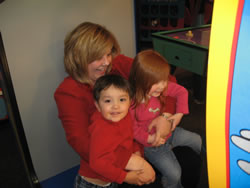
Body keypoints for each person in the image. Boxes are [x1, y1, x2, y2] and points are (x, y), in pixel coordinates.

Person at [54, 22, 173, 187]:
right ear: (79, 58)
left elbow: (167, 81)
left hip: (138, 144)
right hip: (105, 170)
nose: (106, 62)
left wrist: (165, 116)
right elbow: (83, 144)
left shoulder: (115, 65)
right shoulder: (68, 92)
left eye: (108, 54)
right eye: (98, 57)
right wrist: (134, 162)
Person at [129, 49, 202, 188]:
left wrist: (179, 114)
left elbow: (182, 91)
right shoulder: (132, 103)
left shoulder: (161, 89)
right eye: (156, 82)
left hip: (171, 133)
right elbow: (133, 129)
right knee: (174, 175)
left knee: (197, 140)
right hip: (153, 146)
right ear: (140, 81)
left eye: (164, 80)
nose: (162, 86)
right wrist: (149, 139)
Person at [87, 74, 155, 187]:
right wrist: (124, 177)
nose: (116, 106)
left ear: (130, 102)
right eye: (108, 101)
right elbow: (96, 163)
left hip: (112, 178)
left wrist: (136, 149)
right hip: (95, 183)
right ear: (98, 106)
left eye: (122, 100)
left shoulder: (125, 116)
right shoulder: (101, 129)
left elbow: (128, 138)